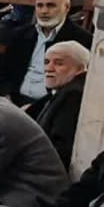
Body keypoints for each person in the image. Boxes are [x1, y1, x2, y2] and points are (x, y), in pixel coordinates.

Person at [0, 0, 90, 103]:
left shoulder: (82, 40)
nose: (44, 11)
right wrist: (6, 97)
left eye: (51, 5)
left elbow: (80, 84)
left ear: (67, 7)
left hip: (52, 105)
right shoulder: (19, 35)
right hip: (13, 101)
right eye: (40, 6)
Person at [28, 41, 90, 169]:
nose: (48, 68)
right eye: (46, 62)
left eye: (59, 63)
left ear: (80, 69)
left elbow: (61, 148)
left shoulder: (73, 94)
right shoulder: (67, 89)